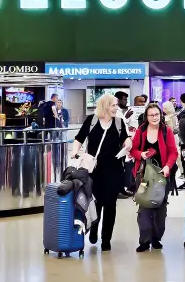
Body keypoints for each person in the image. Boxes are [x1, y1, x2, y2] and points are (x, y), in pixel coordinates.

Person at [72, 94, 130, 252]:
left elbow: (125, 139)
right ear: (105, 106)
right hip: (94, 171)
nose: (116, 108)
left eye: (116, 105)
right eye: (113, 105)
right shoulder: (92, 121)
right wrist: (75, 152)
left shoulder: (118, 122)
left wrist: (128, 144)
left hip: (114, 170)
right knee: (96, 203)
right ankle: (94, 230)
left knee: (110, 205)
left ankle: (106, 239)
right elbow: (79, 138)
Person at [131, 102, 178, 252]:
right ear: (146, 117)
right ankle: (144, 241)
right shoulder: (141, 131)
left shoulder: (166, 131)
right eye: (151, 115)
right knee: (144, 208)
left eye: (157, 114)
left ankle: (156, 238)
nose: (154, 117)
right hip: (143, 176)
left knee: (160, 208)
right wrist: (141, 154)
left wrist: (167, 166)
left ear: (161, 115)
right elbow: (133, 150)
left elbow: (173, 152)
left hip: (161, 176)